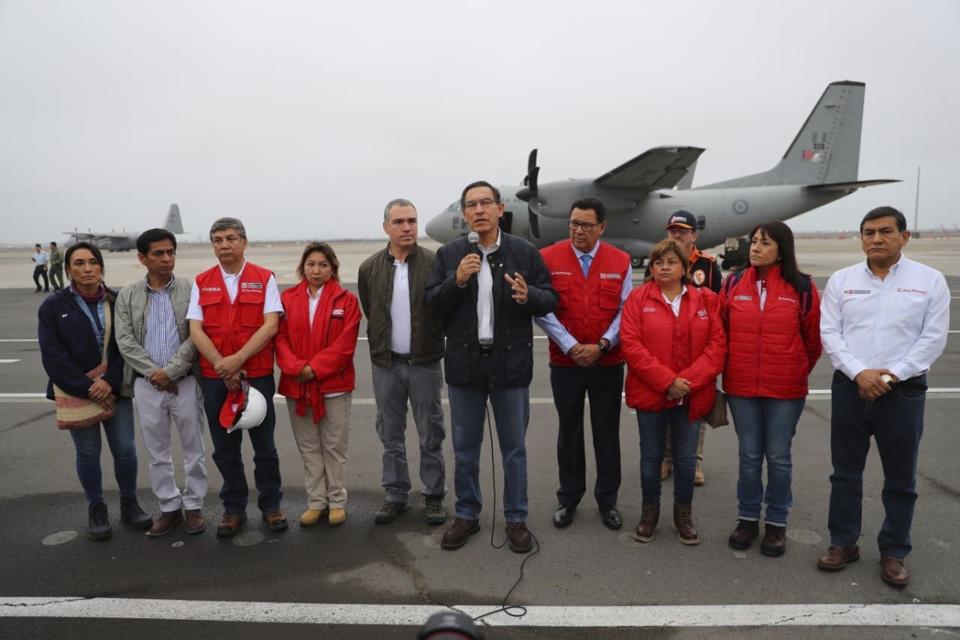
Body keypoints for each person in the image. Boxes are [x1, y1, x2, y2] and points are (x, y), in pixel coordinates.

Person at [817, 206, 949, 588]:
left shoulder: (929, 281)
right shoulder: (842, 281)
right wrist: (860, 373)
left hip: (902, 392)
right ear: (861, 238)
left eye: (886, 232)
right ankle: (843, 542)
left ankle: (894, 551)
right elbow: (832, 334)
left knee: (901, 478)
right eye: (869, 232)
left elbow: (932, 338)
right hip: (850, 389)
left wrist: (890, 376)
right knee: (844, 474)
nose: (876, 239)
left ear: (904, 237)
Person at [425, 180, 557, 552]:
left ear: (501, 209)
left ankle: (516, 518)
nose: (479, 210)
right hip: (465, 366)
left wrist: (528, 295)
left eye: (486, 203)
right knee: (466, 448)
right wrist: (457, 280)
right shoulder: (449, 255)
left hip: (510, 366)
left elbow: (550, 298)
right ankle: (467, 514)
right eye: (471, 204)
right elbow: (432, 303)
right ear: (464, 213)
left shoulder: (524, 253)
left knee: (514, 449)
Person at [38, 242, 152, 539]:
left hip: (116, 388)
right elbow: (53, 356)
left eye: (92, 262)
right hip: (77, 390)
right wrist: (90, 387)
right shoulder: (53, 306)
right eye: (79, 263)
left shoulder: (117, 300)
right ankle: (96, 506)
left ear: (101, 266)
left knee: (125, 450)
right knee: (88, 453)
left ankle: (130, 503)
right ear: (68, 270)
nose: (87, 268)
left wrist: (110, 382)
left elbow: (124, 347)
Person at [721, 221, 821, 557]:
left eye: (764, 243)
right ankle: (747, 518)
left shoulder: (802, 287)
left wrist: (793, 369)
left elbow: (812, 341)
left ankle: (776, 523)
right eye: (753, 242)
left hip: (786, 388)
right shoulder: (733, 282)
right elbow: (721, 331)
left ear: (782, 248)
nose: (755, 248)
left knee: (778, 457)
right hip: (741, 385)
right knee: (749, 456)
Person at [535, 197, 631, 531]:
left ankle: (608, 500)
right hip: (566, 363)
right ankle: (569, 498)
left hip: (607, 362)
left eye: (586, 225)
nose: (578, 230)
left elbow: (626, 309)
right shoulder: (548, 257)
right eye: (574, 223)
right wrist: (572, 345)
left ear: (602, 227)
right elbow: (542, 309)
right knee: (569, 432)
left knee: (606, 434)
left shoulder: (620, 260)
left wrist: (603, 344)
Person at [620, 239, 725, 545]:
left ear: (685, 268)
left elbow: (716, 347)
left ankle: (683, 514)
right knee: (651, 457)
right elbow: (632, 345)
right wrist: (667, 381)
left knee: (685, 459)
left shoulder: (705, 300)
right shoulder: (638, 299)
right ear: (651, 268)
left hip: (692, 394)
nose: (664, 267)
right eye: (658, 262)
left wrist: (686, 381)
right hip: (651, 393)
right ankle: (649, 512)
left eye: (671, 262)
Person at [188, 217, 286, 538]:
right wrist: (221, 364)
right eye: (217, 240)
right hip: (216, 378)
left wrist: (238, 360)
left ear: (244, 242)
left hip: (255, 377)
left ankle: (271, 506)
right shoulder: (202, 281)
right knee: (224, 449)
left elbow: (270, 324)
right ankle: (233, 508)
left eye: (231, 238)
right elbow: (195, 329)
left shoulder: (264, 278)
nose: (224, 245)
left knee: (265, 448)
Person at [358, 199, 447, 526]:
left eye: (411, 220)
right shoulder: (369, 268)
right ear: (386, 228)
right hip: (387, 365)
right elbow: (371, 308)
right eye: (399, 222)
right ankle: (395, 494)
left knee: (430, 433)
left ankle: (434, 495)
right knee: (390, 434)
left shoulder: (434, 262)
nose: (407, 227)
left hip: (424, 363)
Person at [115, 228, 207, 537]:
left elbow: (197, 337)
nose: (167, 259)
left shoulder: (191, 290)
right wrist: (156, 373)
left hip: (184, 383)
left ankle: (193, 506)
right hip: (146, 385)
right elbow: (125, 341)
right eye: (158, 253)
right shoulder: (127, 295)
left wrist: (172, 371)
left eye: (170, 252)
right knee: (157, 452)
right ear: (142, 258)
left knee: (194, 448)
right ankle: (169, 507)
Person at [276, 242, 361, 527]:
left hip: (333, 386)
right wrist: (296, 368)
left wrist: (315, 369)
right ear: (303, 267)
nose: (316, 270)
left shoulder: (346, 300)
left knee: (334, 446)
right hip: (298, 385)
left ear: (332, 269)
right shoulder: (287, 299)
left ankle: (336, 500)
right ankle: (316, 501)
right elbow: (280, 339)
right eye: (311, 264)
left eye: (323, 265)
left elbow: (345, 345)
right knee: (309, 447)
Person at [646, 210, 722, 486]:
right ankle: (667, 458)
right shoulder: (657, 261)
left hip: (697, 351)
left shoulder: (708, 264)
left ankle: (695, 461)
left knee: (697, 409)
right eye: (672, 230)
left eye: (682, 230)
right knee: (666, 403)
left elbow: (718, 309)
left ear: (694, 235)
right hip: (665, 348)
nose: (676, 234)